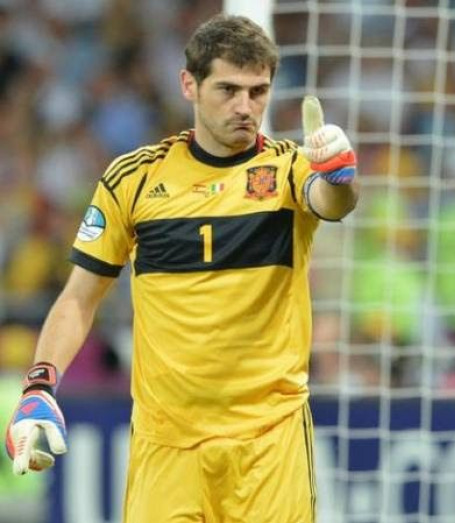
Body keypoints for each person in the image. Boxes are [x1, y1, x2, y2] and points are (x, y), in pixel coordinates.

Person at [4, 14, 358, 523]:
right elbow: (79, 297)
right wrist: (39, 386)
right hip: (166, 444)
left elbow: (330, 201)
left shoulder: (288, 169)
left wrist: (340, 176)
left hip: (269, 442)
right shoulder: (134, 180)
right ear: (189, 85)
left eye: (258, 91)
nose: (245, 107)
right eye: (228, 90)